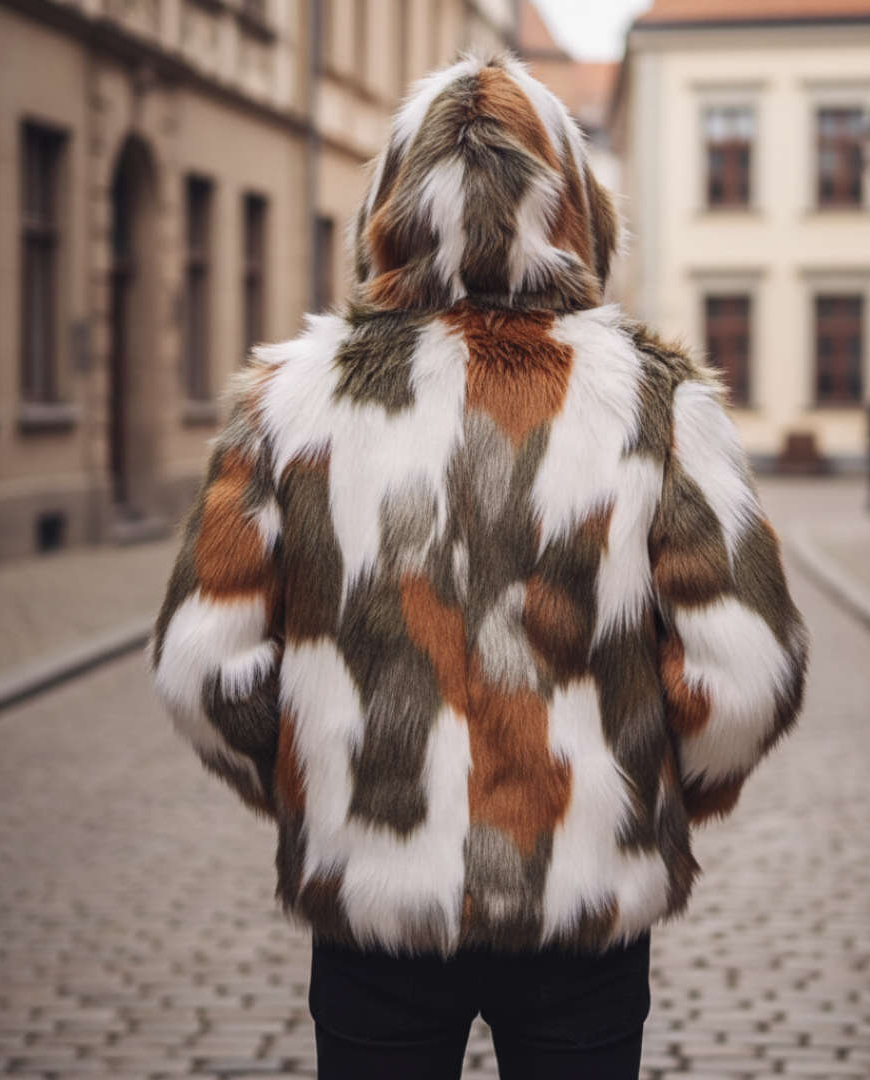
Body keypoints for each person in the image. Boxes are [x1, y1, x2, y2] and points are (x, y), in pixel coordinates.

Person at [151, 52, 808, 1080]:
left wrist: (322, 789)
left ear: (391, 209)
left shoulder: (287, 407)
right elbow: (747, 675)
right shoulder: (656, 406)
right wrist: (647, 798)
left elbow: (203, 669)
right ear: (576, 214)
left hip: (375, 908)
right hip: (582, 908)